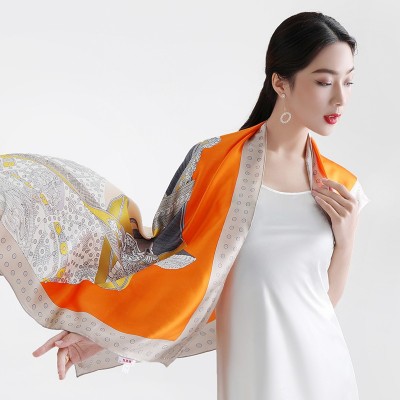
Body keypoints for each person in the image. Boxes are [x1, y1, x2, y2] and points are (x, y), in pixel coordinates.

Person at [1, 11, 369, 399]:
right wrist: (99, 332)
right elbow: (170, 265)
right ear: (280, 82)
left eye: (348, 82)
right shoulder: (214, 164)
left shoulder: (341, 188)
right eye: (325, 81)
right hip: (254, 374)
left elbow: (322, 301)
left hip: (326, 371)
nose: (340, 98)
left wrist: (346, 240)